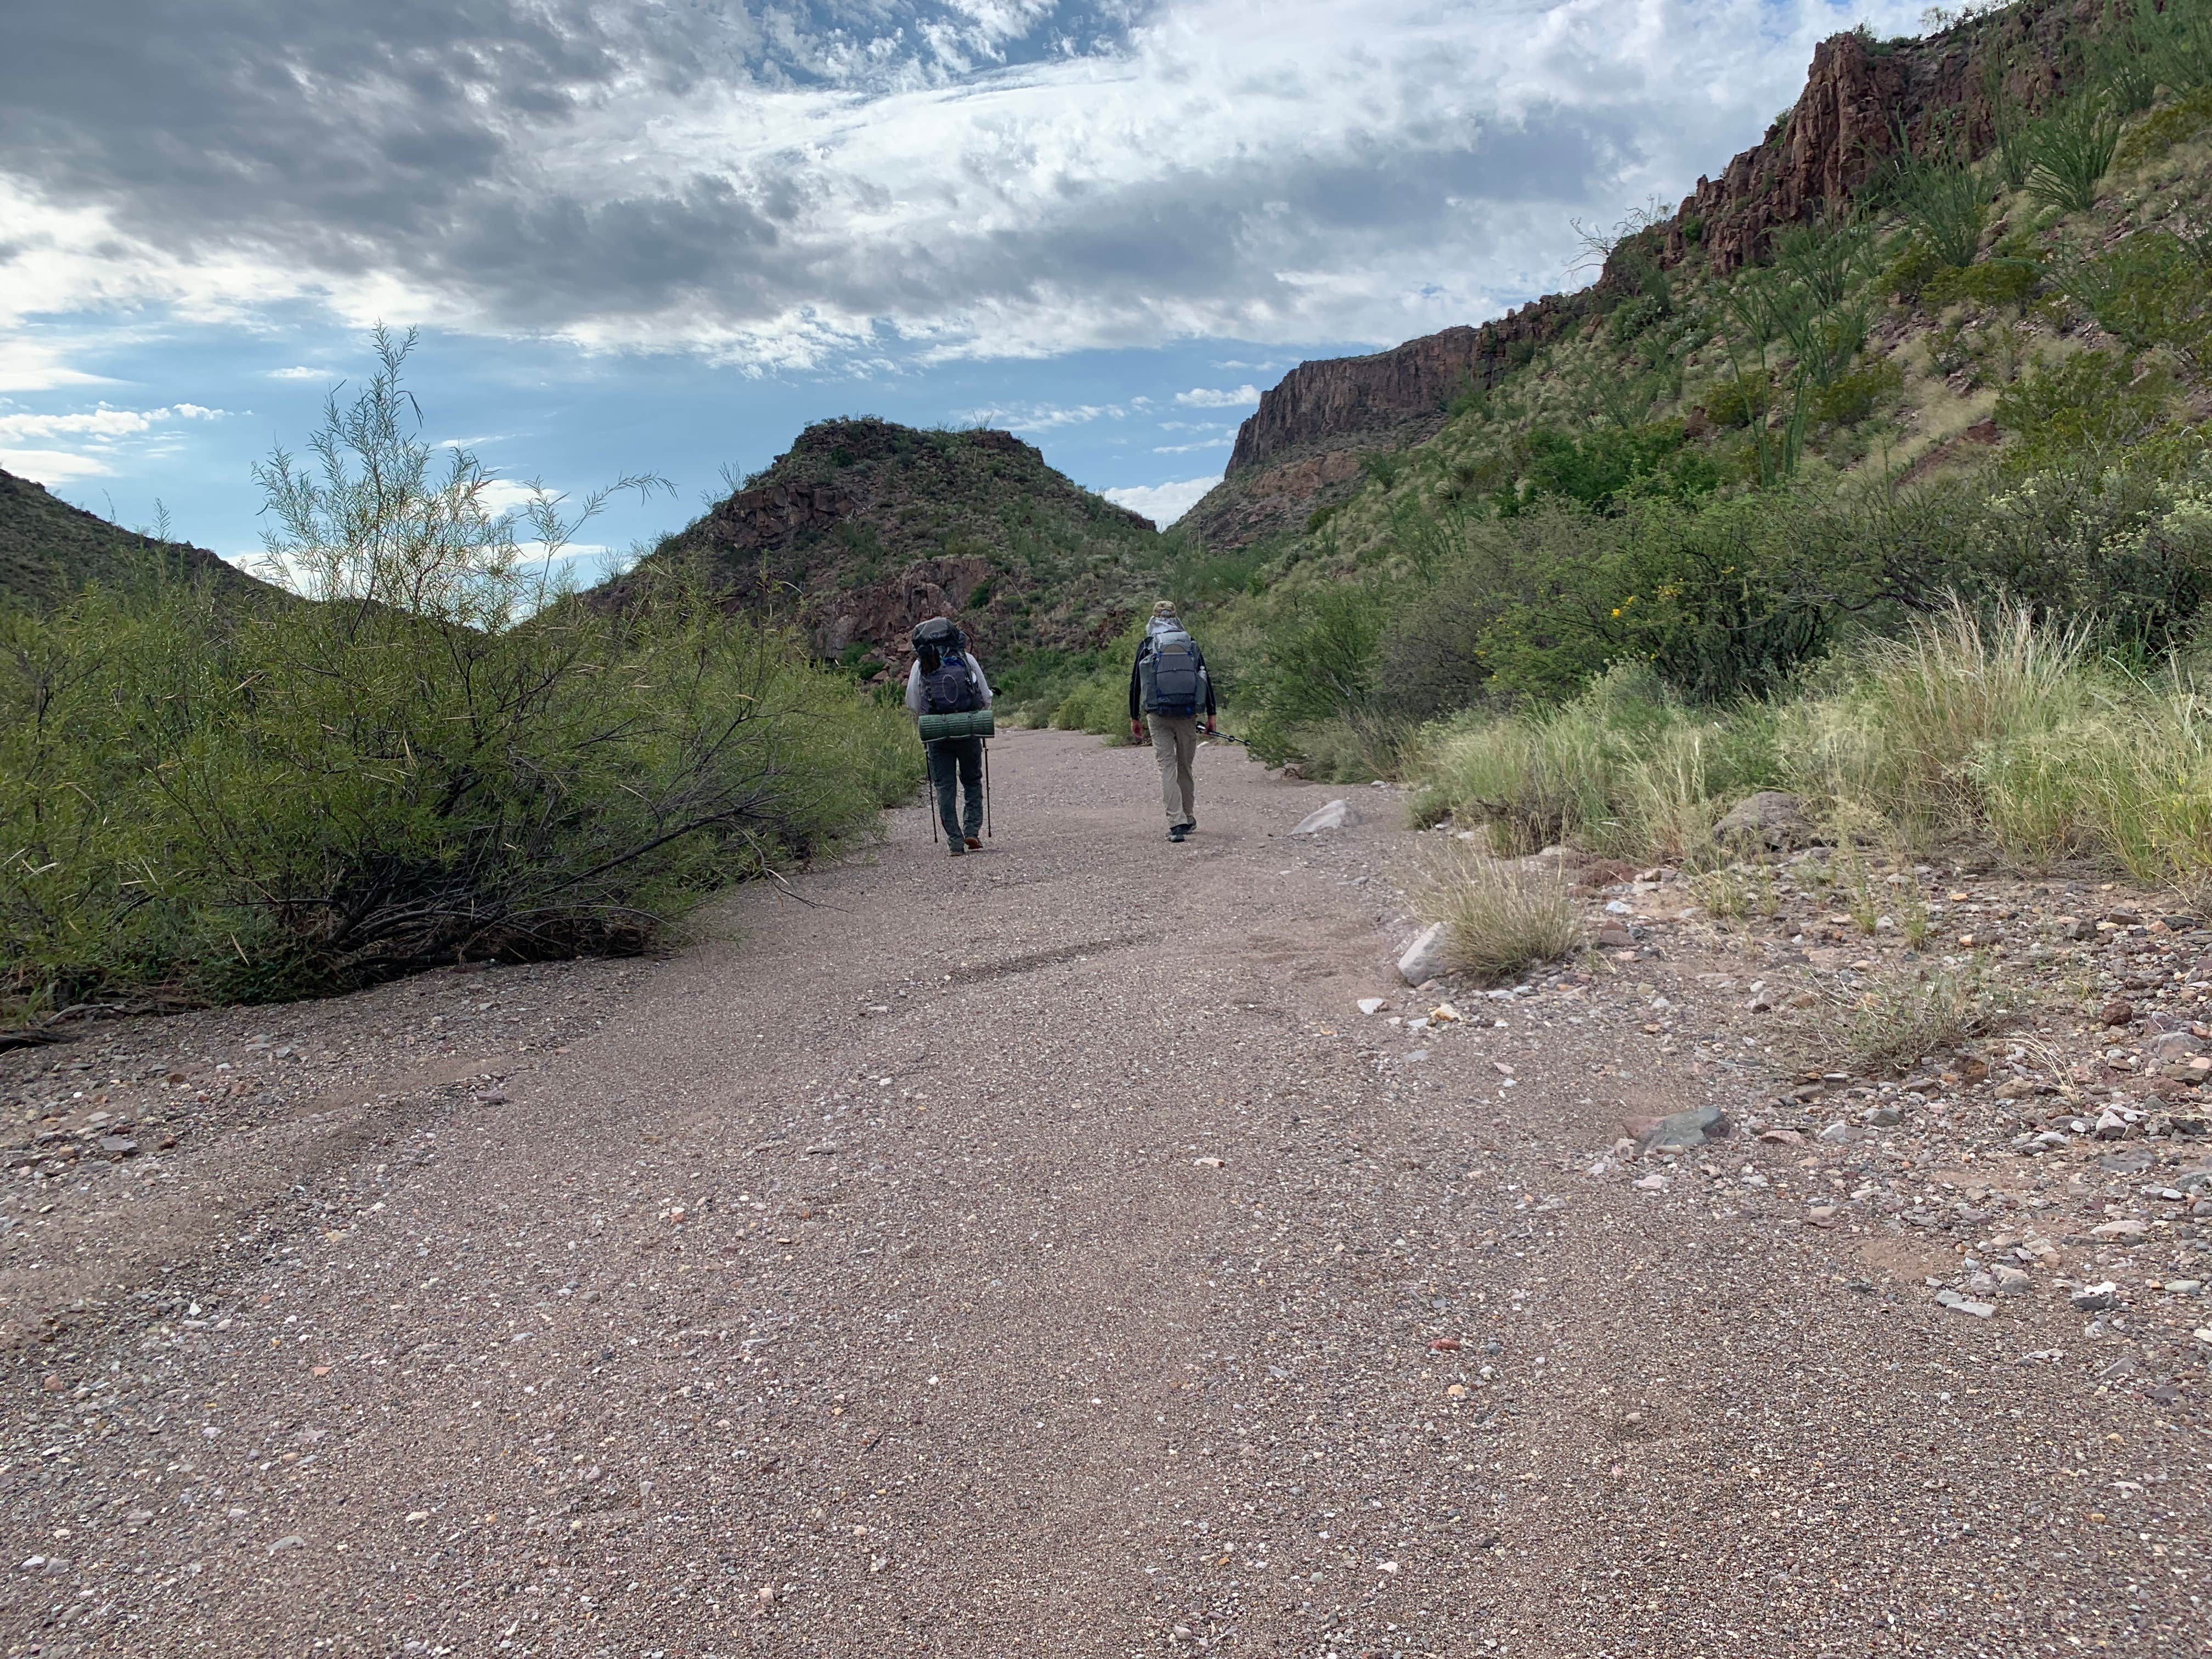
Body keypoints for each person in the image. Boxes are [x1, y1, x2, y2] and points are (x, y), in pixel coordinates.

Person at [1127, 600, 1216, 843]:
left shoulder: (1148, 644)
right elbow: (1204, 679)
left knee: (1167, 767)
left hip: (1157, 715)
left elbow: (1137, 683)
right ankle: (1188, 817)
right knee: (1185, 768)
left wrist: (1134, 717)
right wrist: (1212, 714)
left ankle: (1176, 823)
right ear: (1175, 617)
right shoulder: (1189, 642)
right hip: (1188, 713)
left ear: (1154, 617)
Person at [905, 617, 994, 856]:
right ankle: (972, 830)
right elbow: (985, 697)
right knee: (972, 781)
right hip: (968, 729)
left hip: (936, 735)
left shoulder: (920, 665)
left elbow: (912, 702)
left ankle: (955, 842)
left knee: (945, 787)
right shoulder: (967, 659)